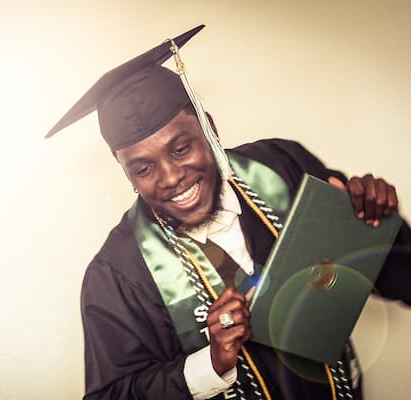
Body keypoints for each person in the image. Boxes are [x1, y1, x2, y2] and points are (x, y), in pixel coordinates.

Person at [46, 25, 411, 400]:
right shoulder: (118, 274)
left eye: (180, 149)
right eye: (143, 168)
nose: (171, 178)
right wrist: (211, 364)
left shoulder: (282, 169)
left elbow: (390, 272)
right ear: (125, 170)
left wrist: (377, 222)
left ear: (210, 129)